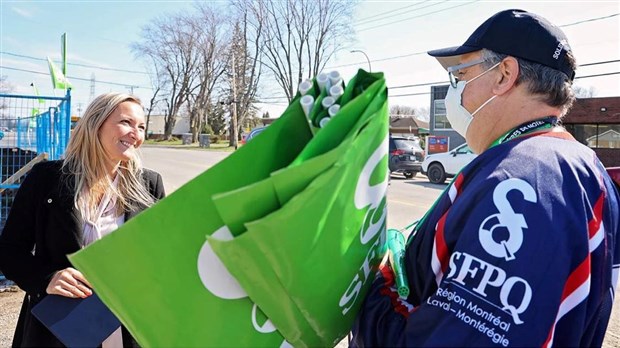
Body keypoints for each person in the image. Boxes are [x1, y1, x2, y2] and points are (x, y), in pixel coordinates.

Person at [351, 9, 620, 347]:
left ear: (504, 75)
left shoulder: (522, 177)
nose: (456, 92)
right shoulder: (580, 164)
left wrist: (376, 281)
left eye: (461, 76)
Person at [0, 92, 165, 347]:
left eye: (141, 126)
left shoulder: (149, 184)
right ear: (95, 123)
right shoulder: (46, 179)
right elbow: (9, 250)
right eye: (126, 122)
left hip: (127, 325)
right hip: (62, 327)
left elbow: (161, 254)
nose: (136, 133)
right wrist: (47, 279)